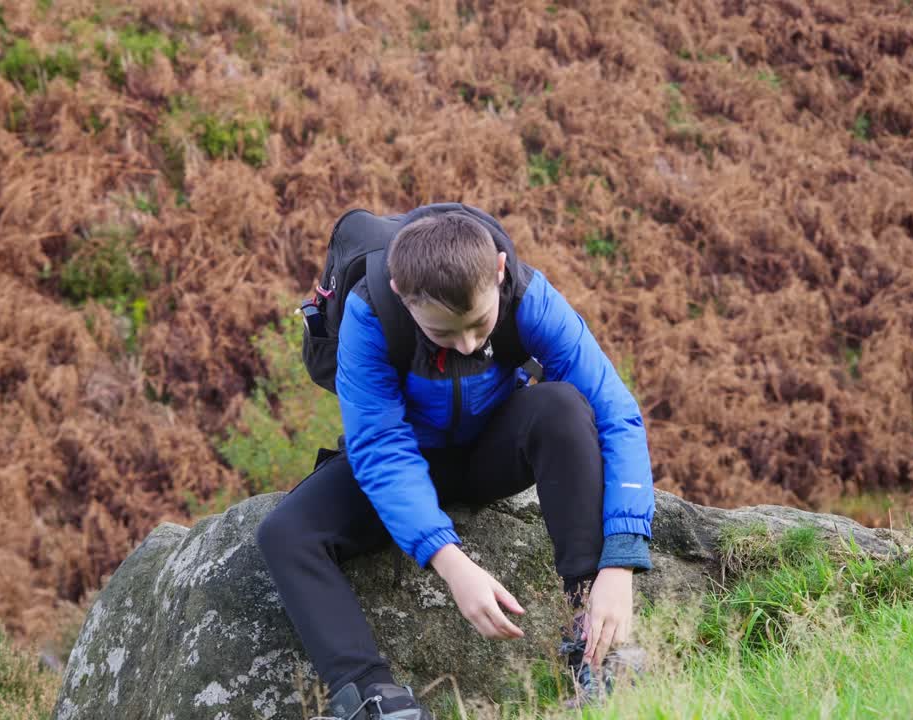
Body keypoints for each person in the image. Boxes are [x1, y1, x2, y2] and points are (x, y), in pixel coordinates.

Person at [257, 207, 655, 720]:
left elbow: (616, 413)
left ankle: (597, 641)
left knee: (561, 407)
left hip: (494, 449)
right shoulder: (373, 313)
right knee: (285, 534)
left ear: (499, 271)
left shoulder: (529, 296)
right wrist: (451, 562)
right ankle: (373, 698)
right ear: (402, 292)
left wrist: (618, 565)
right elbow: (380, 447)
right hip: (408, 461)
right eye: (446, 334)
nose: (469, 344)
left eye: (480, 324)